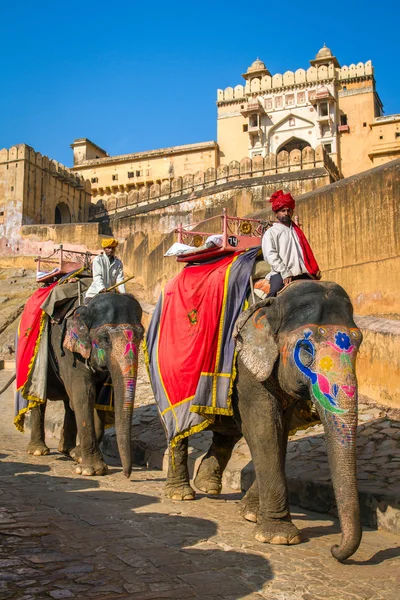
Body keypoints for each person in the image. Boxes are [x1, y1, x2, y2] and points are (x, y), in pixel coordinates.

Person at [262, 190, 320, 297]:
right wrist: (285, 273)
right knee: (274, 295)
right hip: (280, 274)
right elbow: (270, 255)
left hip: (301, 273)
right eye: (283, 210)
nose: (286, 213)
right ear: (276, 214)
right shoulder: (271, 232)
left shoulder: (296, 231)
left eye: (289, 210)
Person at [85, 238, 126, 302]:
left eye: (113, 248)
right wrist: (102, 289)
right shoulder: (98, 260)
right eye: (109, 248)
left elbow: (120, 280)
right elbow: (97, 276)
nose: (111, 250)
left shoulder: (118, 263)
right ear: (104, 249)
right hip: (95, 293)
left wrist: (124, 294)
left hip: (110, 294)